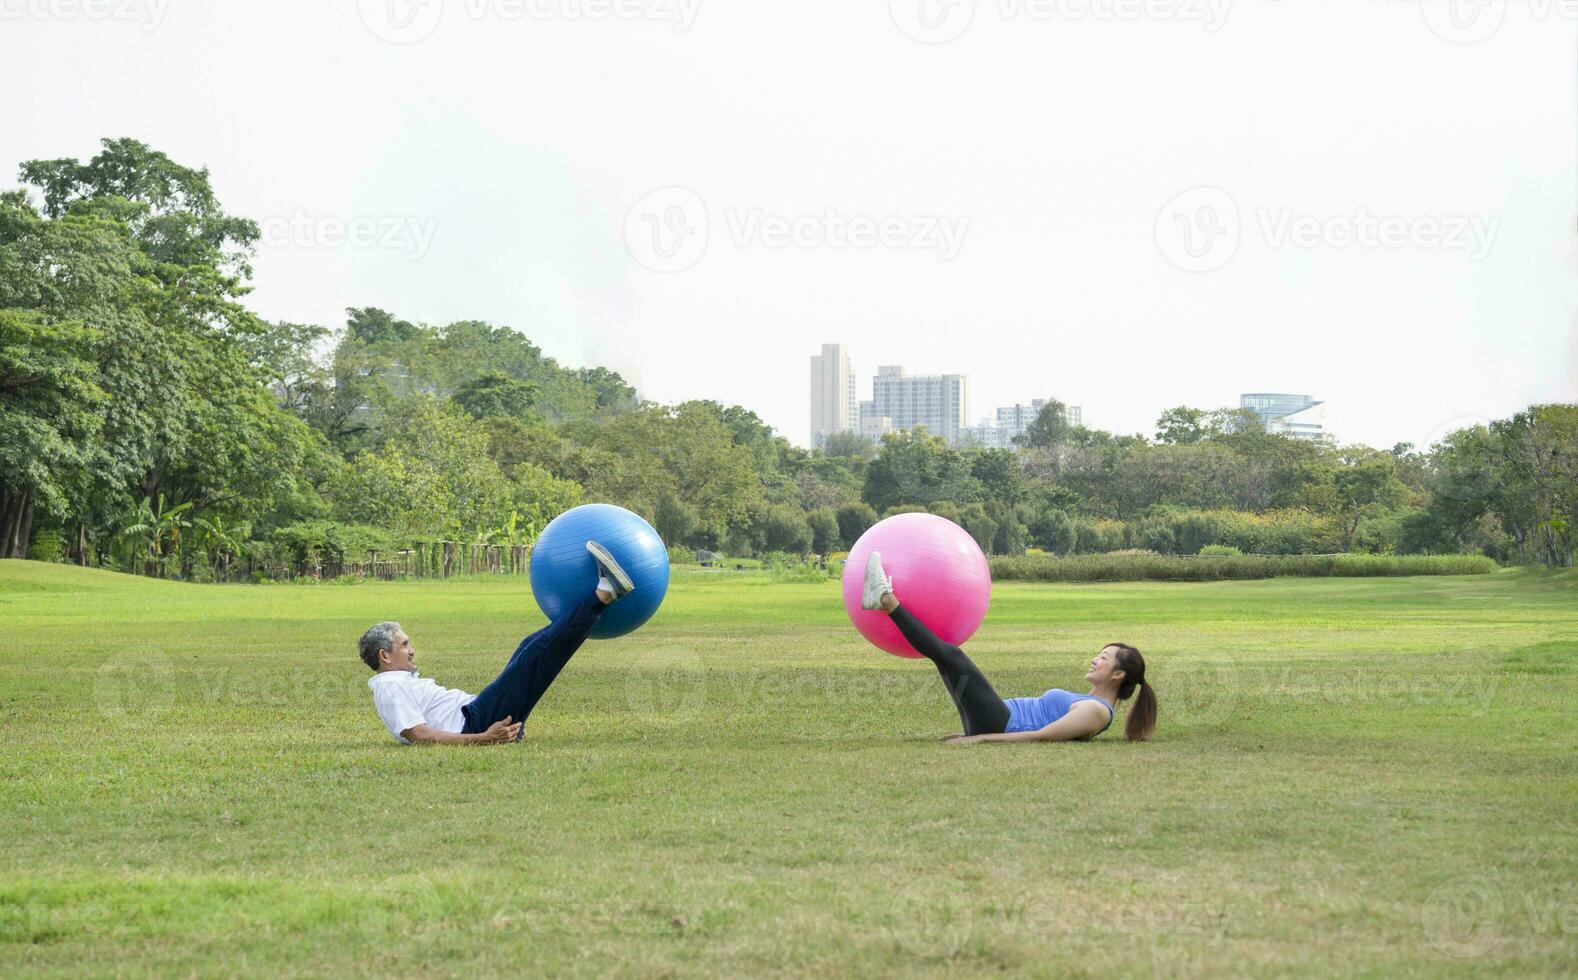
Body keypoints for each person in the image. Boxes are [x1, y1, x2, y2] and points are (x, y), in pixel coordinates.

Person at [860, 552, 1157, 742]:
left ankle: (886, 601)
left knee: (952, 655)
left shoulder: (1098, 712)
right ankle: (884, 600)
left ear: (1118, 675)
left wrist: (979, 739)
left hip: (1002, 724)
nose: (1095, 660)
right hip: (998, 717)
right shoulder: (1089, 701)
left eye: (1103, 658)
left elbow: (1041, 736)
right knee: (946, 659)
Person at [358, 541, 634, 745]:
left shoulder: (396, 684)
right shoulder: (391, 688)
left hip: (480, 713)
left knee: (531, 647)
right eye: (404, 644)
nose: (412, 649)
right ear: (385, 655)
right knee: (536, 655)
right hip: (478, 722)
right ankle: (604, 593)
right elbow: (419, 735)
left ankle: (600, 597)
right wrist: (485, 738)